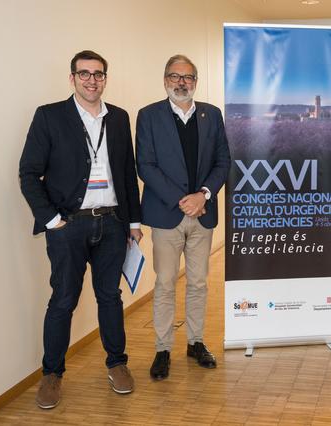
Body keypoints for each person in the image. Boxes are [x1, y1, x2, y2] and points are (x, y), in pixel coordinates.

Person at [19, 50, 142, 409]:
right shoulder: (50, 116)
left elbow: (127, 172)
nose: (92, 80)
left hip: (113, 224)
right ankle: (52, 374)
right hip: (68, 226)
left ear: (105, 79)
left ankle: (117, 364)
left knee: (110, 298)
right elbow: (29, 174)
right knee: (63, 300)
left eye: (98, 74)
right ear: (72, 78)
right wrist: (51, 221)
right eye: (84, 73)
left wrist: (133, 222)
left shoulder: (118, 117)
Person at [136, 54, 230, 380]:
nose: (181, 82)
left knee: (199, 282)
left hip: (203, 213)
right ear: (165, 80)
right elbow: (146, 165)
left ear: (195, 82)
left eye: (188, 77)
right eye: (175, 76)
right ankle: (163, 348)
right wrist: (183, 201)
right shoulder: (148, 116)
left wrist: (203, 195)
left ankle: (195, 342)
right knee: (164, 283)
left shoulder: (211, 115)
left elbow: (223, 161)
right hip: (167, 215)